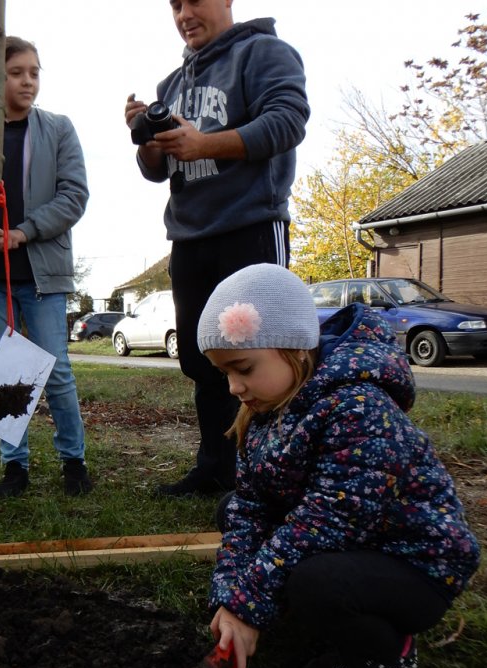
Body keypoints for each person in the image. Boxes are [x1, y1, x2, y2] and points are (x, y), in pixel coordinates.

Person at [195, 263, 481, 668]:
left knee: (315, 583)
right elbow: (250, 509)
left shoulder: (358, 407)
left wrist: (249, 605)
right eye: (225, 374)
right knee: (232, 507)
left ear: (295, 349)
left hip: (414, 562)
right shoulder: (263, 411)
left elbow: (328, 521)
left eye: (244, 368)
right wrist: (231, 596)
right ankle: (305, 604)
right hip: (353, 542)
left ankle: (389, 652)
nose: (234, 387)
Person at [124, 0, 310, 498]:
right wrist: (147, 141)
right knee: (205, 360)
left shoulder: (264, 52)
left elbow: (287, 122)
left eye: (194, 0)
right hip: (189, 237)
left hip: (250, 226)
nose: (184, 14)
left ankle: (276, 474)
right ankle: (216, 470)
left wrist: (205, 144)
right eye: (174, 5)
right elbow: (157, 170)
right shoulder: (171, 84)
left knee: (266, 354)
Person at [0, 37, 91, 500]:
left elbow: (74, 196)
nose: (28, 81)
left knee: (57, 371)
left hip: (43, 274)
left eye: (35, 72)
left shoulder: (58, 129)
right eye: (17, 73)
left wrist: (23, 232)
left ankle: (73, 461)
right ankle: (14, 467)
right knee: (4, 375)